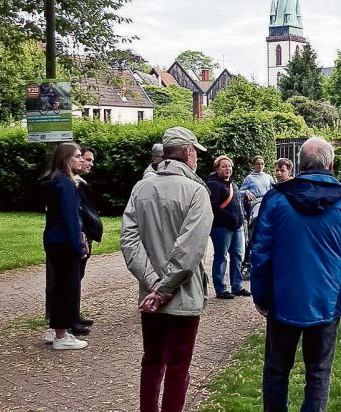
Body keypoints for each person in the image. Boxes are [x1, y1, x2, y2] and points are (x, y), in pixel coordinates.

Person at [250, 137, 341, 412]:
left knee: (277, 371)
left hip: (283, 298)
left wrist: (262, 295)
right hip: (327, 301)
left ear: (301, 165)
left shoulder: (276, 200)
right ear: (330, 164)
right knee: (318, 373)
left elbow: (260, 252)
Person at [120, 126, 214, 412]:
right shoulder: (197, 191)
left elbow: (129, 241)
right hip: (182, 294)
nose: (197, 158)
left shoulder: (141, 187)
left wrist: (152, 283)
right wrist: (165, 288)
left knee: (152, 360)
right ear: (187, 152)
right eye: (196, 152)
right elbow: (191, 248)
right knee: (178, 365)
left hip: (150, 294)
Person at [39, 142, 88, 350]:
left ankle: (55, 329)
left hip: (53, 239)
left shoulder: (52, 180)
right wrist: (79, 244)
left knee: (58, 285)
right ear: (67, 158)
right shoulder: (66, 184)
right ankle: (61, 335)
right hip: (65, 241)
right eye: (77, 156)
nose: (81, 159)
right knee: (67, 287)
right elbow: (70, 217)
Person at [206, 155, 250, 299]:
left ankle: (237, 286)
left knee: (237, 256)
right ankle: (221, 288)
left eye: (229, 166)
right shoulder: (213, 184)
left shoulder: (233, 184)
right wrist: (229, 218)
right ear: (217, 169)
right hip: (221, 227)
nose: (227, 168)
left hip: (236, 227)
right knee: (221, 257)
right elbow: (214, 207)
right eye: (224, 166)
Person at [72, 146, 102, 335]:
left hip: (85, 235)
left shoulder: (80, 183)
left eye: (91, 160)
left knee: (77, 277)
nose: (90, 163)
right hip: (79, 236)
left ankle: (74, 315)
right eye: (86, 159)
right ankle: (70, 319)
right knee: (73, 278)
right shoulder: (74, 184)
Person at [240, 155, 276, 278]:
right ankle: (248, 262)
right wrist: (247, 192)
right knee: (253, 233)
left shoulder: (269, 177)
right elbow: (241, 190)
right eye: (257, 164)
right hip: (254, 205)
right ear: (254, 165)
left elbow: (274, 189)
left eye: (262, 163)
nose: (260, 166)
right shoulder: (249, 178)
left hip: (267, 204)